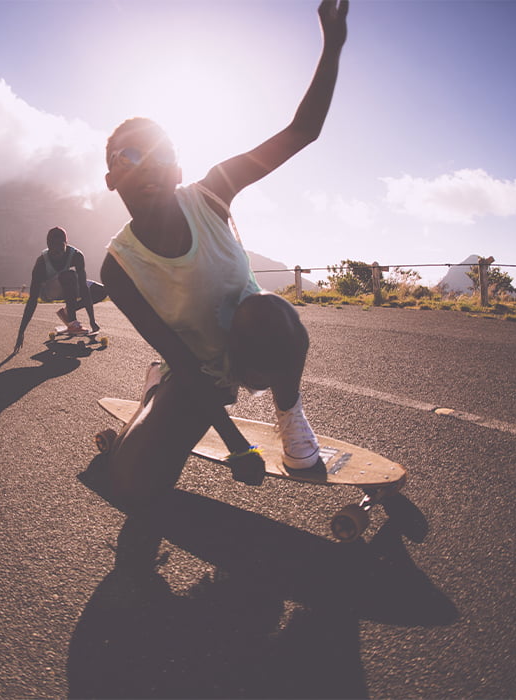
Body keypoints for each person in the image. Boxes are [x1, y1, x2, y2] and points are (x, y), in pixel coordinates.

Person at [99, 0, 349, 508]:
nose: (148, 163)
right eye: (129, 155)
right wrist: (236, 445)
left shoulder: (212, 193)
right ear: (111, 179)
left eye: (161, 152)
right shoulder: (117, 267)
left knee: (266, 310)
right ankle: (150, 401)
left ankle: (292, 417)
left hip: (250, 349)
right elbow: (182, 360)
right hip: (192, 372)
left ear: (177, 167)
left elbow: (302, 132)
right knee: (131, 487)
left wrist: (333, 45)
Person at [14, 226, 107, 352]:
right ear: (48, 246)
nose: (57, 252)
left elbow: (84, 288)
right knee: (69, 275)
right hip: (49, 292)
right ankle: (72, 322)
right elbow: (32, 300)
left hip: (70, 285)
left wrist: (92, 320)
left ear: (66, 244)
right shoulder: (41, 262)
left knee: (101, 291)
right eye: (54, 248)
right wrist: (21, 332)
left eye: (60, 247)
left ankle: (68, 311)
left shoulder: (76, 255)